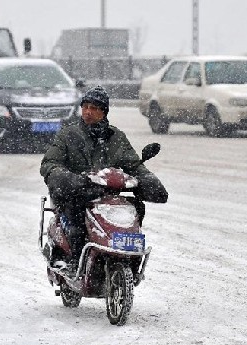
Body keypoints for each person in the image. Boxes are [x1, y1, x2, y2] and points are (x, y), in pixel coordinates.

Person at [40, 85, 168, 273]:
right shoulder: (68, 135)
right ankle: (73, 259)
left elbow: (134, 165)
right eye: (85, 107)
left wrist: (147, 180)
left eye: (94, 108)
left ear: (104, 112)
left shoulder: (117, 138)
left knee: (136, 207)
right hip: (76, 194)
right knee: (75, 215)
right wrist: (69, 178)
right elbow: (50, 164)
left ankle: (130, 256)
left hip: (108, 196)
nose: (88, 112)